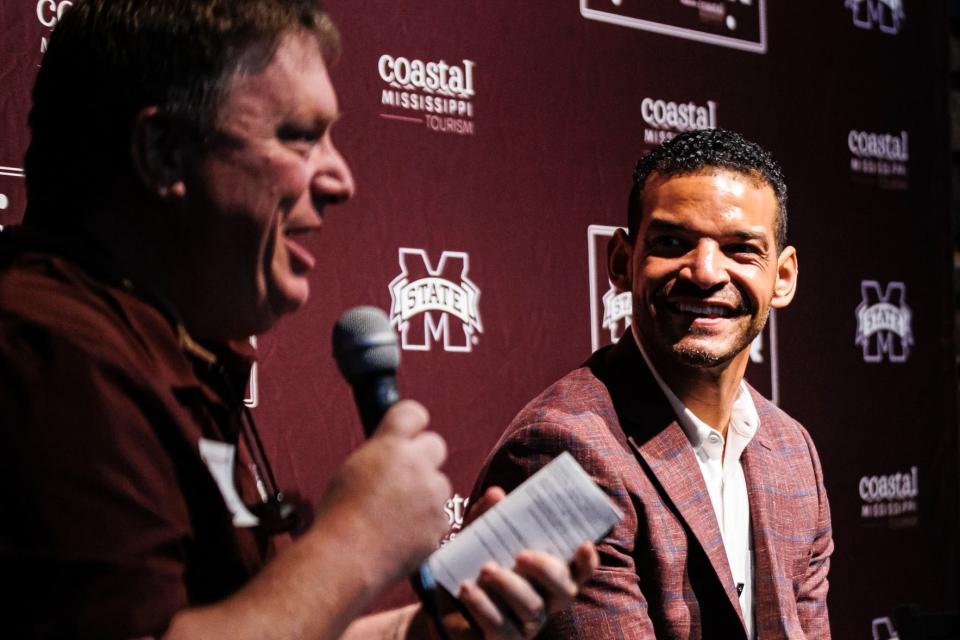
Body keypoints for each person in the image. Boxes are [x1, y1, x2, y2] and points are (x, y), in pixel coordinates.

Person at [0, 1, 598, 638]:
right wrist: (356, 541)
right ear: (164, 152)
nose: (341, 178)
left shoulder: (168, 348)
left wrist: (424, 631)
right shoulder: (46, 351)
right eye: (300, 137)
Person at [471, 129, 833, 639]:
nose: (706, 273)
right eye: (672, 243)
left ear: (783, 277)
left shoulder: (794, 451)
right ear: (622, 262)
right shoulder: (561, 450)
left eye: (741, 249)